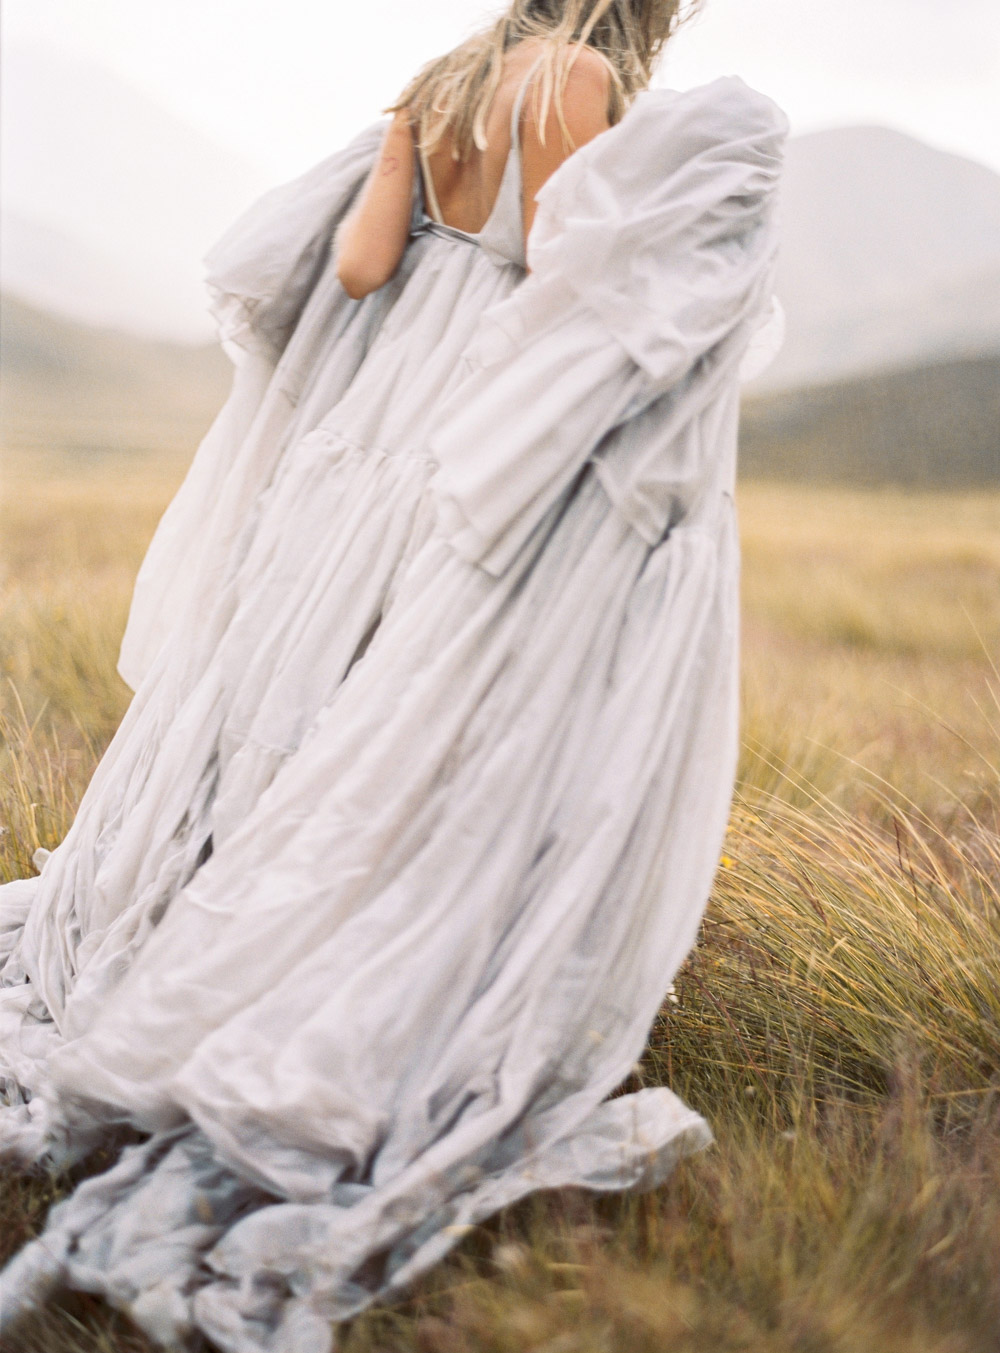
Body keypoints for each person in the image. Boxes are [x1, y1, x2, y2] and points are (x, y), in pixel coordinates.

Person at [0, 1, 788, 1347]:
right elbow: (560, 272)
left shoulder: (437, 86)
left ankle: (196, 921)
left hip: (352, 436)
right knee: (394, 712)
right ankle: (302, 960)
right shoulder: (580, 78)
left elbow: (361, 268)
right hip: (466, 422)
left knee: (285, 699)